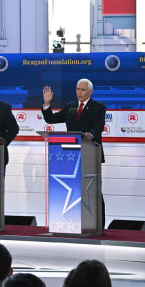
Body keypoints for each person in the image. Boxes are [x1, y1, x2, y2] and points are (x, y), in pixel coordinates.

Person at [42, 79, 107, 225]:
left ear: (90, 92)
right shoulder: (70, 107)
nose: (79, 92)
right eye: (78, 89)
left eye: (83, 90)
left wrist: (90, 134)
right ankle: (73, 221)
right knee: (73, 189)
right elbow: (51, 119)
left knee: (93, 189)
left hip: (90, 153)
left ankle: (99, 224)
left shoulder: (99, 107)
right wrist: (47, 104)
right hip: (71, 154)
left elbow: (99, 126)